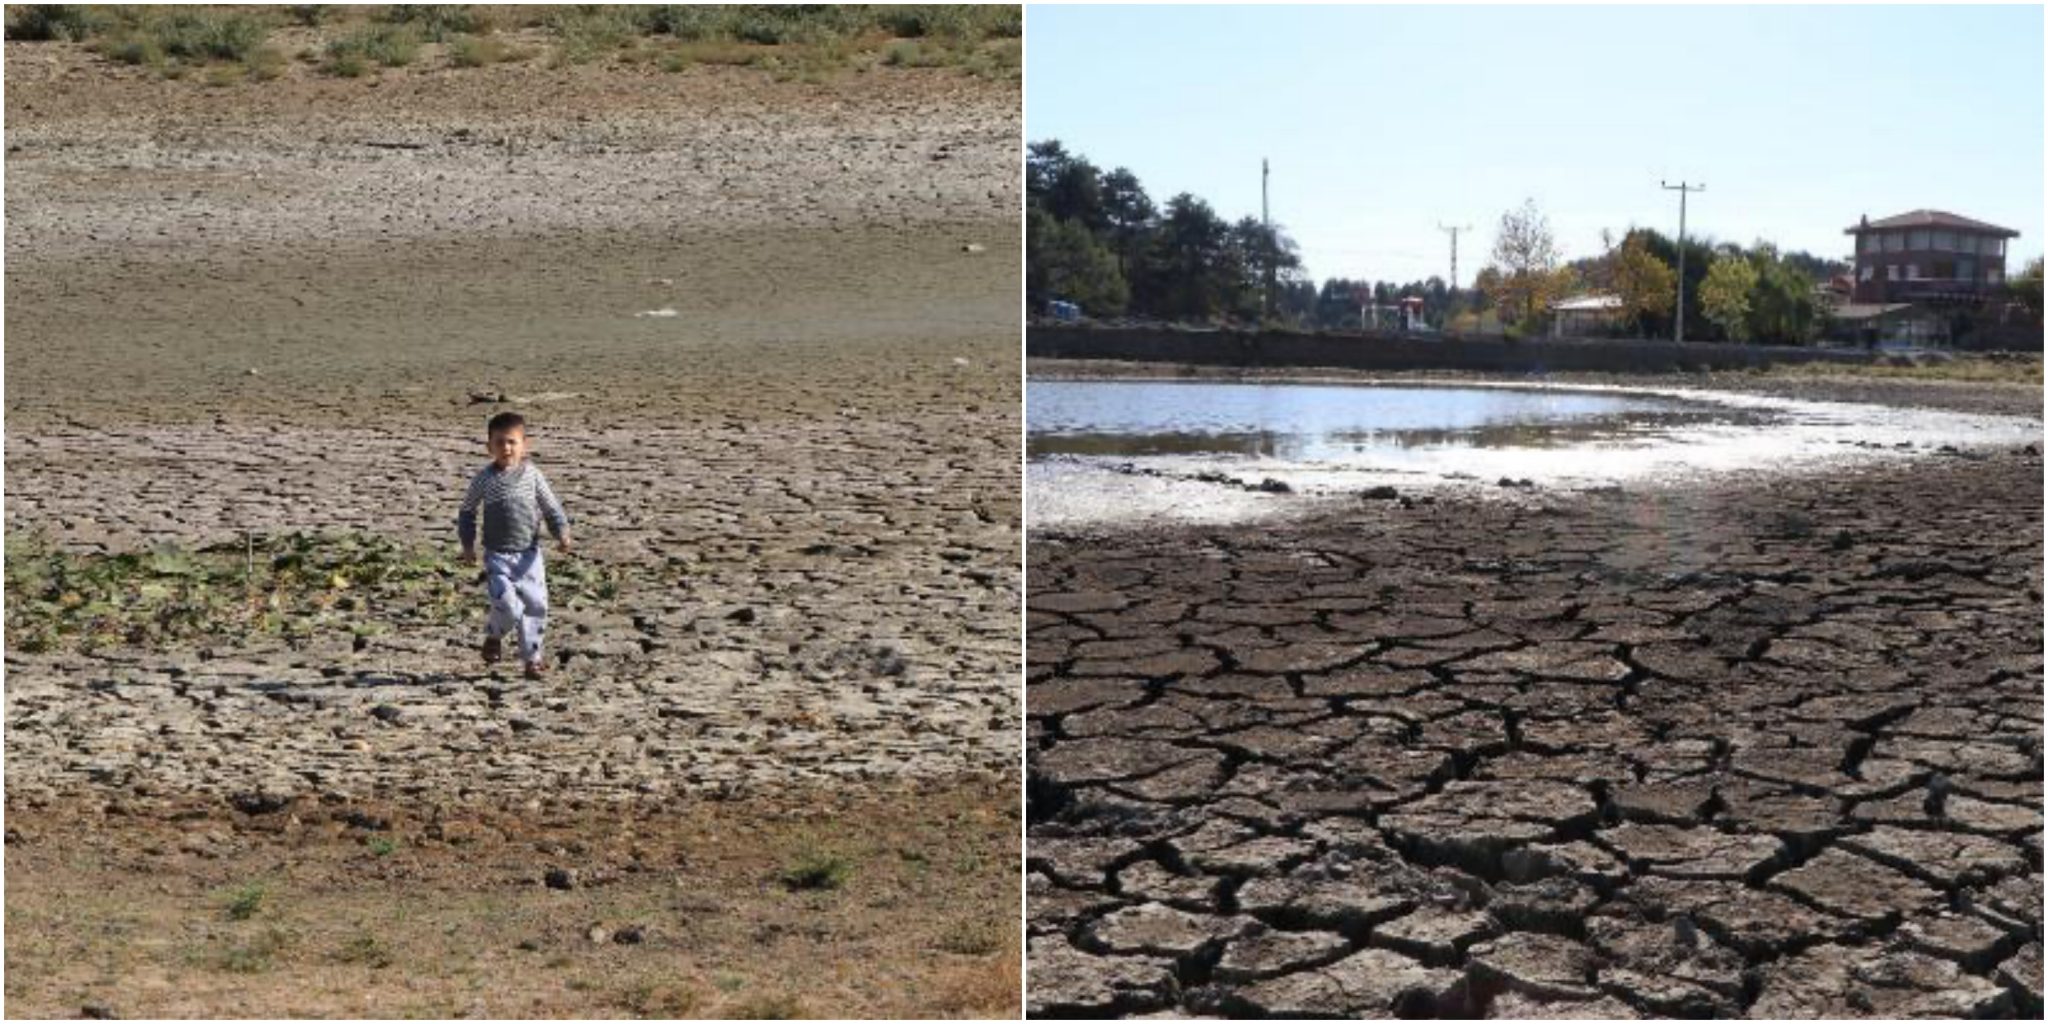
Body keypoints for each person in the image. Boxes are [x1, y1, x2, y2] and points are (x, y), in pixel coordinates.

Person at [457, 411, 571, 679]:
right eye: (499, 443)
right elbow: (467, 511)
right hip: (497, 555)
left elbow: (550, 506)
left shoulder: (532, 475)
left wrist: (561, 533)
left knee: (536, 606)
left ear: (524, 444)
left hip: (529, 555)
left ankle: (532, 659)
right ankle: (495, 635)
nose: (506, 448)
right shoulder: (484, 479)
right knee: (507, 605)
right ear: (489, 447)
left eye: (512, 442)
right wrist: (468, 545)